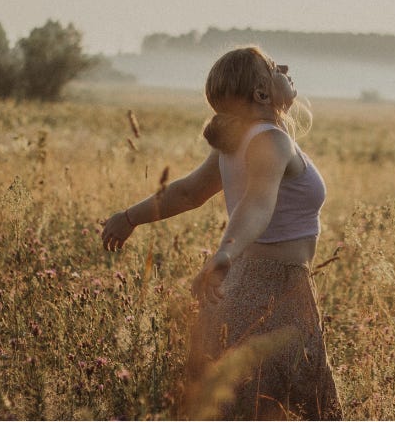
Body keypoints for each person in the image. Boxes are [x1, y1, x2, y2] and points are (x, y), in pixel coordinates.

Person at [100, 46, 342, 420]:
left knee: (241, 404)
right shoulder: (270, 141)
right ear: (262, 93)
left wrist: (129, 217)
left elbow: (187, 193)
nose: (287, 68)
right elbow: (257, 204)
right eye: (275, 67)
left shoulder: (242, 141)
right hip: (271, 289)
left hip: (245, 286)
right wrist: (224, 254)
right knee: (289, 405)